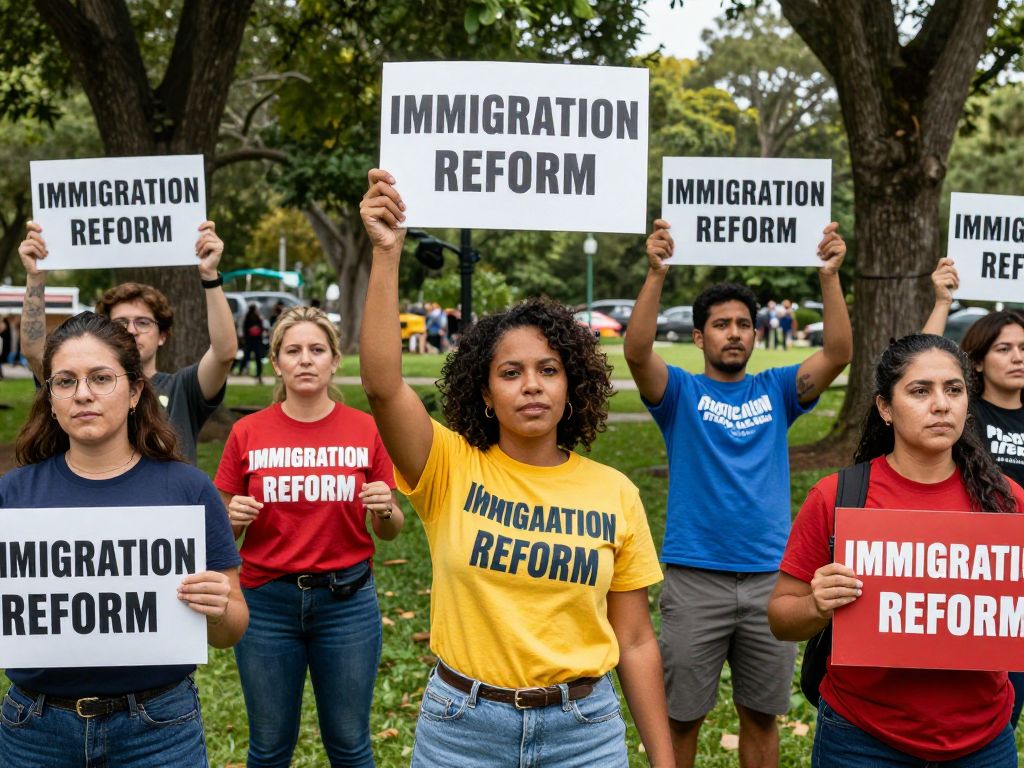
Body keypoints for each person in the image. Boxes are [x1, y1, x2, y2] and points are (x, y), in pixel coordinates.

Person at [359, 169, 673, 768]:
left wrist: (663, 762)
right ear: (485, 392)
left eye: (548, 370)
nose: (531, 385)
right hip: (462, 730)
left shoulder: (615, 492)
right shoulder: (448, 464)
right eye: (511, 373)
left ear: (571, 385)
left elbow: (633, 640)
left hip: (585, 732)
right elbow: (381, 385)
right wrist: (386, 253)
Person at [624, 218, 852, 768]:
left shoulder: (776, 389)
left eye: (744, 324)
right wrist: (656, 273)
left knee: (761, 716)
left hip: (772, 582)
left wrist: (828, 277)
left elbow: (839, 353)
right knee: (681, 718)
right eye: (721, 324)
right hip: (694, 577)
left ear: (755, 334)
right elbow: (635, 353)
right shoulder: (680, 391)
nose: (734, 332)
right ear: (700, 337)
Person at [0, 312, 247, 767]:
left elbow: (232, 629)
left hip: (159, 729)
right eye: (65, 381)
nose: (84, 394)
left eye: (100, 378)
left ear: (135, 391)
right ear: (50, 397)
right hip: (34, 730)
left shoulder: (188, 490)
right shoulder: (12, 495)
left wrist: (217, 607)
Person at [768, 333, 1024, 766]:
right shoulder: (839, 496)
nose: (941, 404)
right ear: (885, 408)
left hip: (983, 739)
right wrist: (817, 604)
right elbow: (780, 619)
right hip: (861, 740)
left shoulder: (1007, 501)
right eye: (920, 391)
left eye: (954, 389)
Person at [215, 305, 403, 768]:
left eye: (317, 349)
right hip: (265, 604)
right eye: (293, 350)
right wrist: (234, 518)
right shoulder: (246, 432)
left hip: (347, 603)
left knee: (350, 744)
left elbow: (391, 528)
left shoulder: (364, 429)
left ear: (334, 360)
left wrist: (385, 510)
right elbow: (223, 534)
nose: (305, 359)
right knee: (269, 746)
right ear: (276, 361)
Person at [18, 220, 238, 464]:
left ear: (162, 335)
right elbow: (34, 351)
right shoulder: (74, 384)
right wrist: (35, 278)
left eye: (143, 323)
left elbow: (223, 353)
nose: (132, 331)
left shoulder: (183, 389)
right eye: (121, 323)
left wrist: (209, 276)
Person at [923, 256, 1024, 727]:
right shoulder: (960, 413)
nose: (1018, 357)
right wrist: (943, 301)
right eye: (1004, 348)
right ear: (978, 360)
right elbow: (925, 356)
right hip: (972, 577)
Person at [237, 303, 267, 384]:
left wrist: (245, 338)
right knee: (257, 357)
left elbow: (244, 328)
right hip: (256, 340)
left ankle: (241, 370)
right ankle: (258, 373)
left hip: (250, 340)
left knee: (246, 356)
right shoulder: (257, 317)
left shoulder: (247, 317)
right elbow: (261, 328)